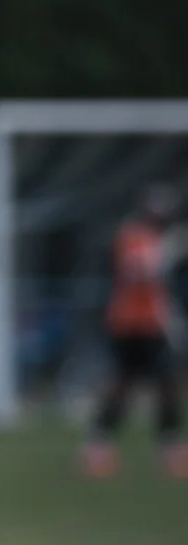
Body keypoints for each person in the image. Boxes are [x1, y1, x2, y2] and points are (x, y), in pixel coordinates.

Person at [81, 183, 188, 478]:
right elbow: (136, 273)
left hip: (154, 325)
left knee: (168, 384)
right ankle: (98, 444)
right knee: (120, 385)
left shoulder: (158, 239)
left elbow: (160, 289)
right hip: (127, 324)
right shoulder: (131, 236)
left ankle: (170, 445)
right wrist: (167, 253)